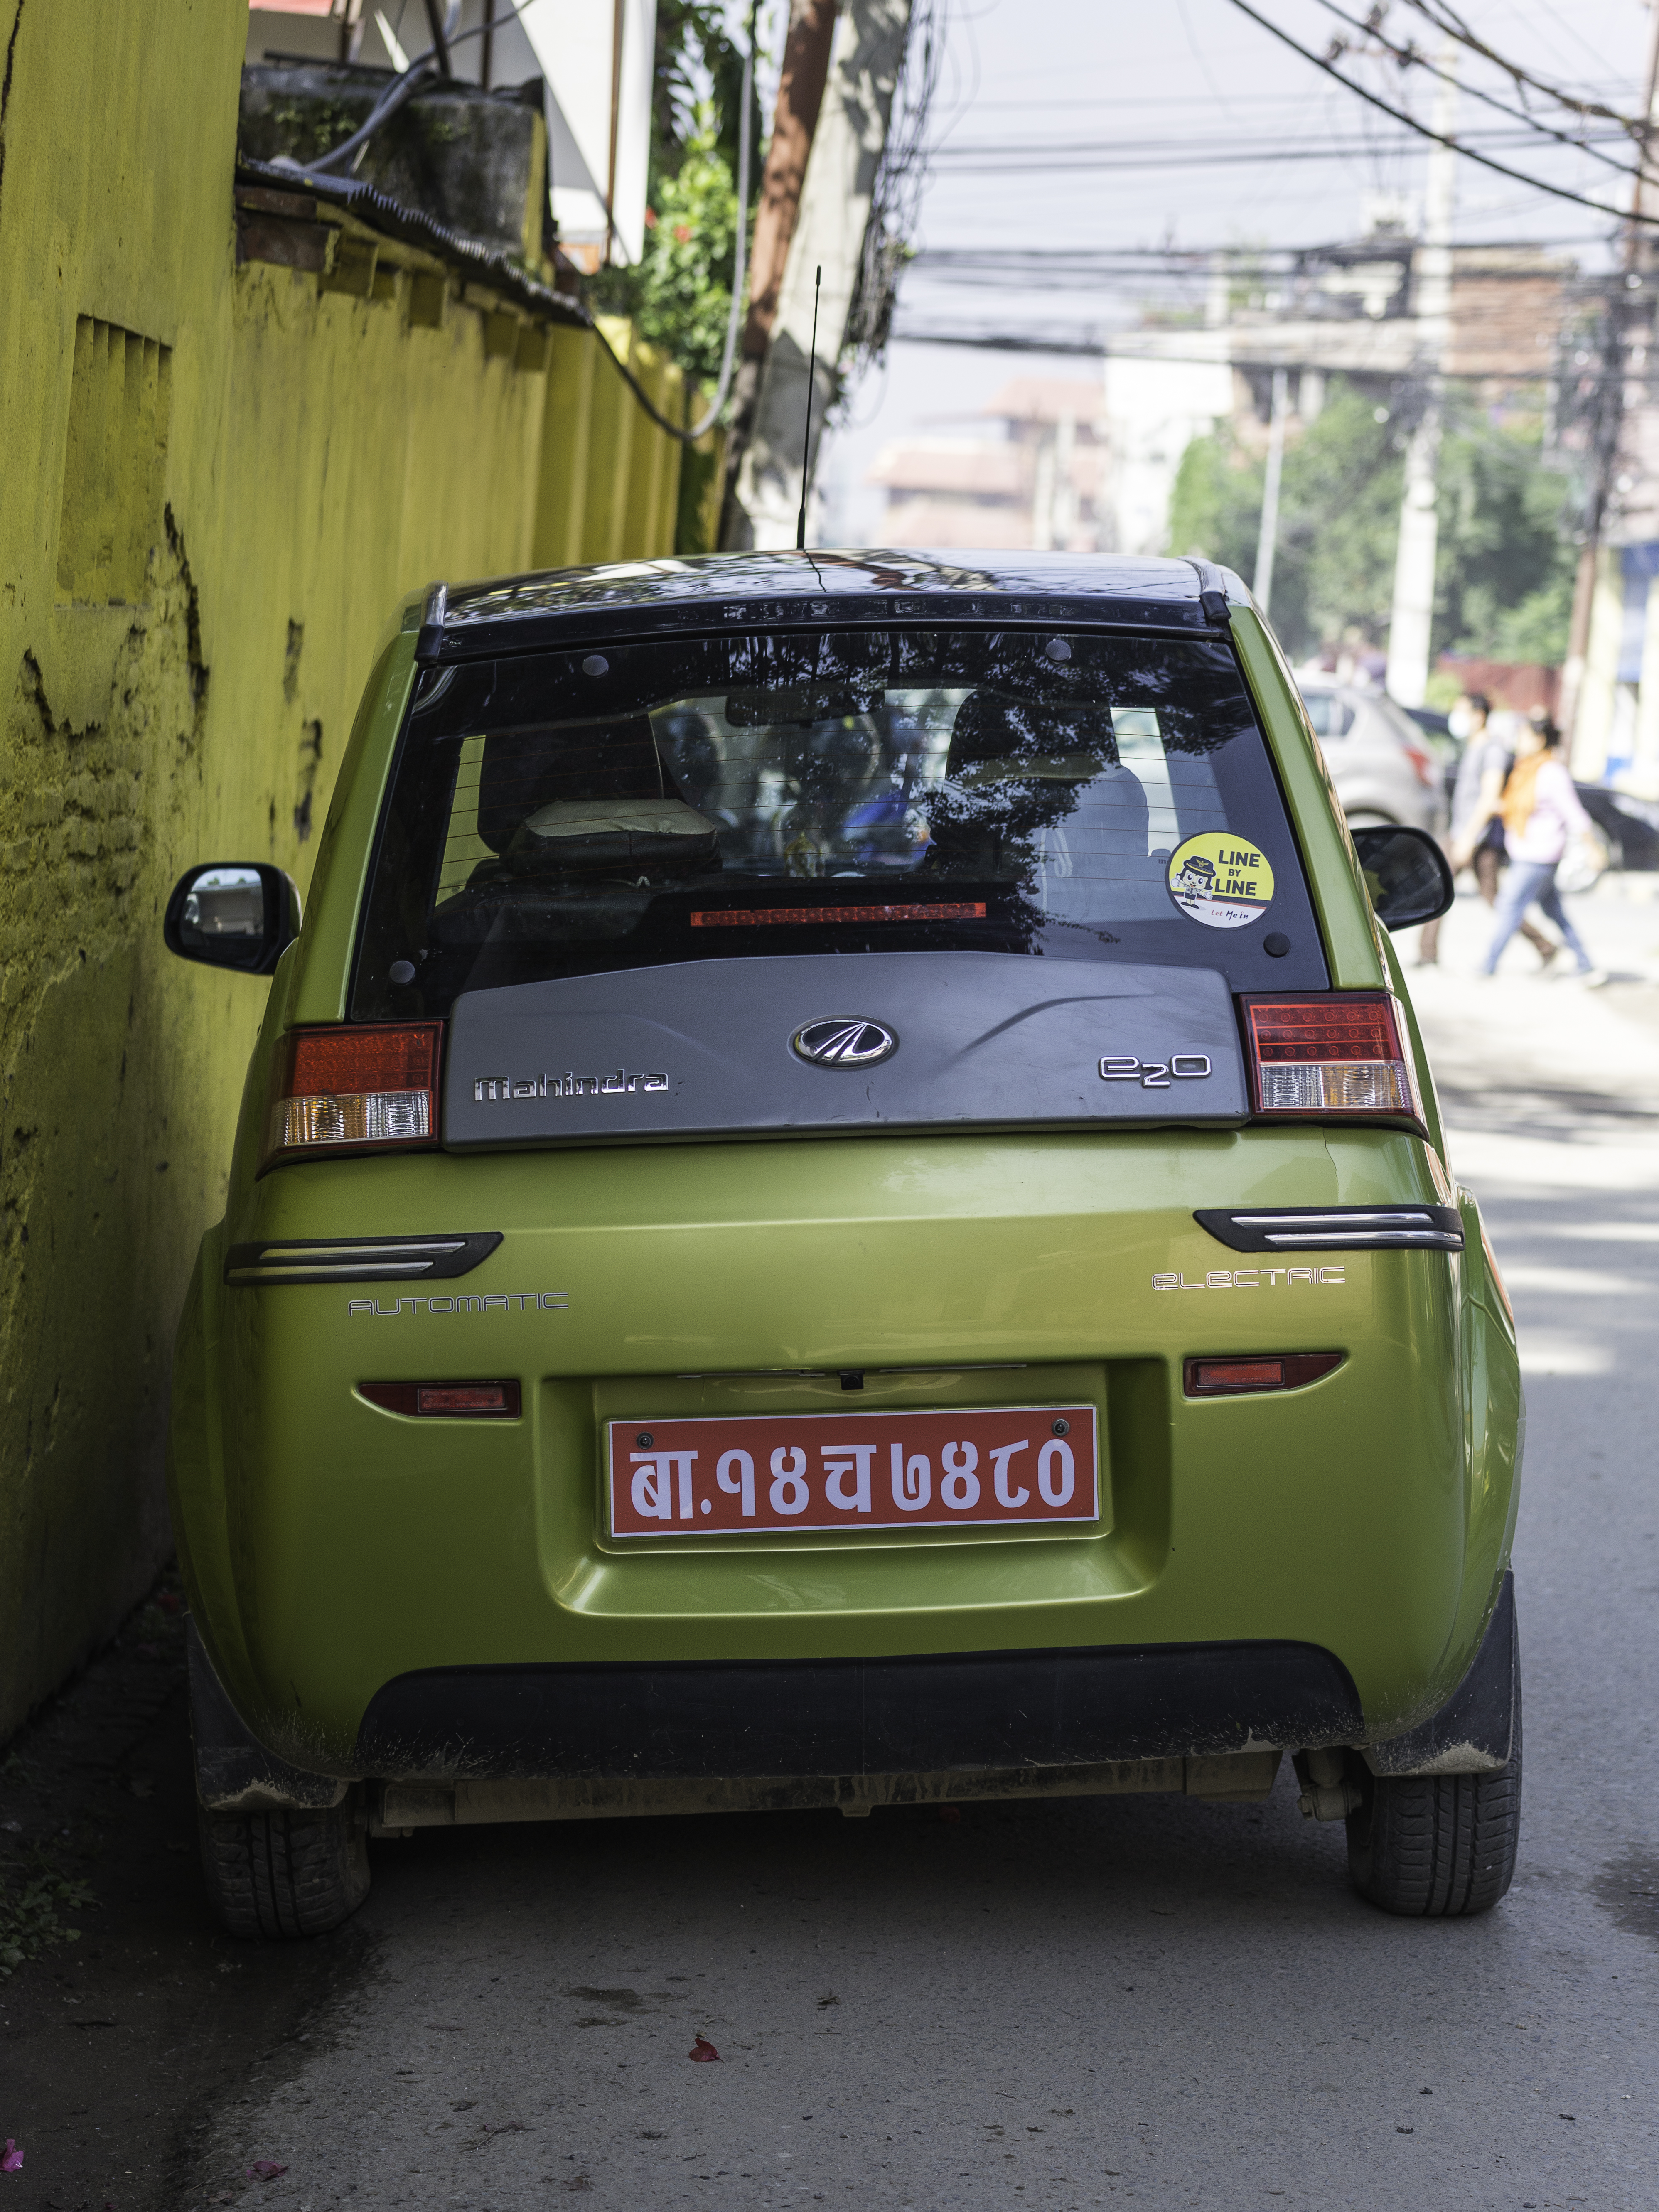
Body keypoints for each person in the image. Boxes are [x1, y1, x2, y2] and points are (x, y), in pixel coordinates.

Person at [1467, 714, 1607, 983]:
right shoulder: (1525, 770)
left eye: (1524, 737)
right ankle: (1586, 965)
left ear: (1539, 740)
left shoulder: (1550, 772)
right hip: (1526, 854)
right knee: (1553, 910)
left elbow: (1574, 814)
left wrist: (1593, 849)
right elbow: (1513, 807)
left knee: (1508, 906)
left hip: (1538, 856)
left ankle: (1487, 965)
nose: (1519, 742)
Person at [1418, 693, 1553, 967]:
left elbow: (1489, 797)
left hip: (1476, 836)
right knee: (1486, 897)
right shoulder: (1474, 746)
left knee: (1443, 888)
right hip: (1463, 833)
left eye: (1461, 711)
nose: (1456, 718)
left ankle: (1427, 955)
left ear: (1478, 716)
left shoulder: (1492, 750)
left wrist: (1467, 838)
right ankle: (1545, 946)